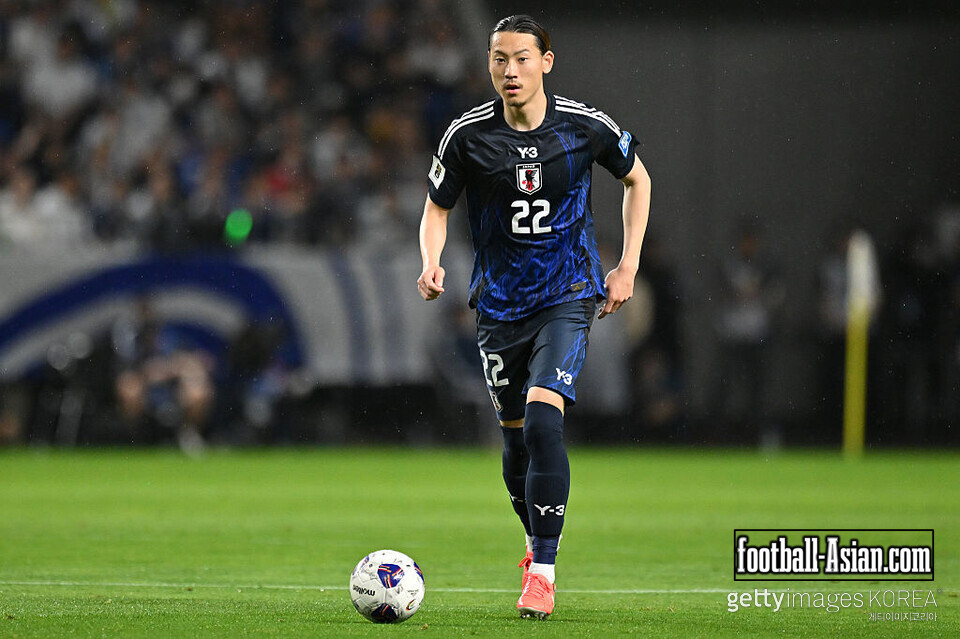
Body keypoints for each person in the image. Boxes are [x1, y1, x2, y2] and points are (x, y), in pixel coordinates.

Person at [416, 15, 651, 619]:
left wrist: (626, 266)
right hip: (498, 307)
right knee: (517, 442)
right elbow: (437, 207)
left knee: (545, 423)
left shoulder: (583, 126)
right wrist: (431, 261)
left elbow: (637, 180)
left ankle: (542, 573)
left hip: (568, 296)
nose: (510, 70)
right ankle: (533, 541)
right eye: (499, 58)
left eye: (522, 58)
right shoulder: (467, 136)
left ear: (546, 62)